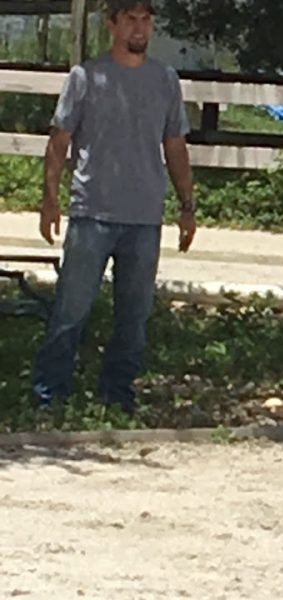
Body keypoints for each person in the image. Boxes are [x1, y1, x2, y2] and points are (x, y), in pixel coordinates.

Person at [31, 0, 196, 412]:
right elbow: (59, 141)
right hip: (92, 212)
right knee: (71, 311)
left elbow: (175, 145)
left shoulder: (165, 80)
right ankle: (49, 394)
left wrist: (187, 205)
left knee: (134, 316)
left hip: (144, 216)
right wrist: (50, 200)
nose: (139, 29)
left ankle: (118, 395)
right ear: (112, 25)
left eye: (146, 20)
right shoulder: (86, 77)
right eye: (131, 20)